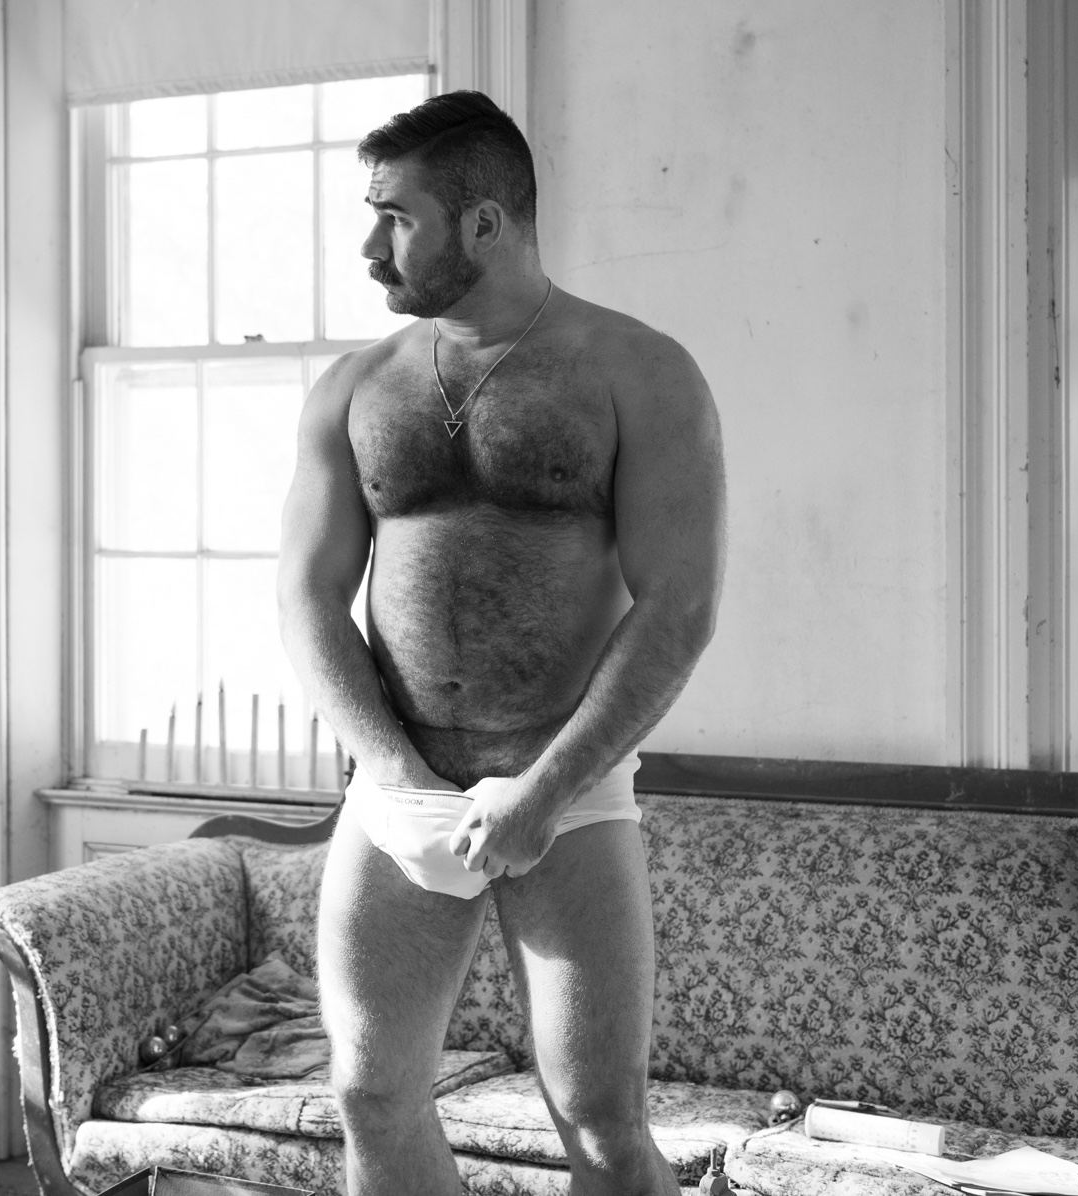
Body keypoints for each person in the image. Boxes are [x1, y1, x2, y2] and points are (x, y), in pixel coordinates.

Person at [277, 90, 726, 1195]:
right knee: (371, 1096)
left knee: (602, 1123)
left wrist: (543, 789)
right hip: (396, 787)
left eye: (396, 217)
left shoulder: (638, 372)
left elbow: (678, 605)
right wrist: (387, 772)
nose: (369, 246)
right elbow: (307, 595)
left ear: (483, 223)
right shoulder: (355, 388)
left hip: (565, 792)